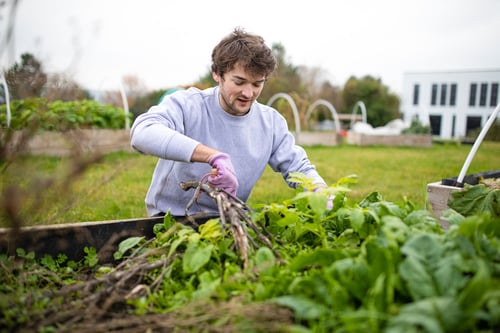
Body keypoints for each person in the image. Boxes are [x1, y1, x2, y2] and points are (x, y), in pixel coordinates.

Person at [130, 27, 328, 219]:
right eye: (239, 82)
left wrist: (321, 191)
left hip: (229, 219)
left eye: (257, 84)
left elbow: (298, 167)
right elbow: (142, 132)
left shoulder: (271, 123)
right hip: (170, 218)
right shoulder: (189, 105)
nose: (248, 93)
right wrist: (212, 156)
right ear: (217, 73)